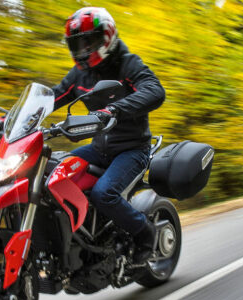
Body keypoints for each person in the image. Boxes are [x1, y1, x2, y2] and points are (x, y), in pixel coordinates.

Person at [52, 7, 166, 263]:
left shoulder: (128, 64)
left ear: (106, 38)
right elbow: (52, 97)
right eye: (77, 44)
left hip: (132, 149)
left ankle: (144, 232)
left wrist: (113, 110)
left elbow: (155, 91)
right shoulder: (80, 74)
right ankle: (80, 241)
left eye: (88, 42)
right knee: (54, 176)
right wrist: (6, 120)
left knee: (104, 194)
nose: (83, 50)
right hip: (99, 148)